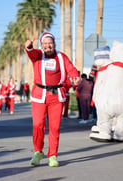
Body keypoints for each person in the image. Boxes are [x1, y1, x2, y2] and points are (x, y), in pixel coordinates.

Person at [25, 32, 81, 167]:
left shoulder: (61, 57)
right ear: (41, 45)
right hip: (40, 95)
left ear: (54, 44)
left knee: (54, 127)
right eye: (44, 43)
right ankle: (38, 151)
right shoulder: (38, 55)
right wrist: (28, 47)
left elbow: (71, 70)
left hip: (56, 96)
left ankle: (53, 155)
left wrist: (76, 77)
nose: (47, 46)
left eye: (50, 43)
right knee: (38, 124)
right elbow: (31, 52)